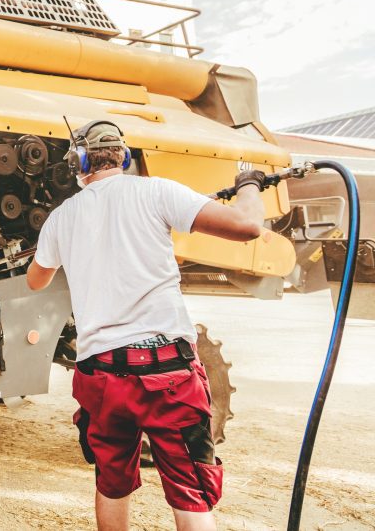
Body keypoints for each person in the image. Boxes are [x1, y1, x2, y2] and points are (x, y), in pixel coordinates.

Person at [26, 120, 266, 531]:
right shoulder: (159, 192)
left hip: (102, 377)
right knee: (190, 490)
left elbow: (37, 280)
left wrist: (66, 245)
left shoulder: (62, 218)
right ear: (124, 155)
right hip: (169, 374)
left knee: (111, 483)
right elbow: (248, 226)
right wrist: (249, 183)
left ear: (77, 162)